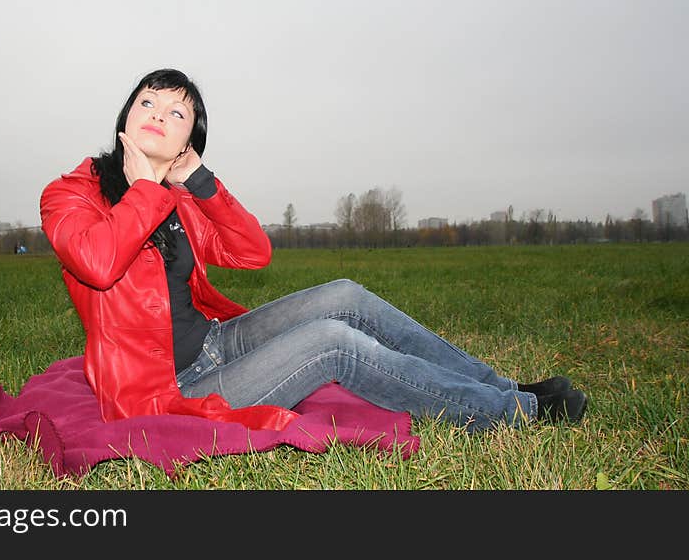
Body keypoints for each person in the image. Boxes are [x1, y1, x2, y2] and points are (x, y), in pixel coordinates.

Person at [40, 68, 587, 433]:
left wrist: (199, 180)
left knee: (345, 295)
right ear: (125, 120)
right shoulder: (71, 194)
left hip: (214, 342)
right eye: (148, 102)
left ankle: (499, 384)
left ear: (187, 142)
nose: (159, 113)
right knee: (331, 343)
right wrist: (146, 189)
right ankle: (510, 413)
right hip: (165, 389)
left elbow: (252, 251)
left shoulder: (177, 197)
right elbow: (98, 261)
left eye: (177, 112)